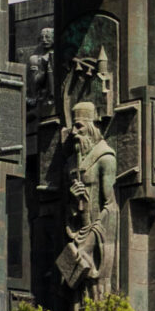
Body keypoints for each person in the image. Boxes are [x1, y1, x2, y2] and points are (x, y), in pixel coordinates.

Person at [57, 101, 118, 300]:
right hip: (78, 232)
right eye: (73, 126)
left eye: (79, 126)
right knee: (75, 295)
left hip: (97, 236)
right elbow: (68, 210)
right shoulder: (70, 164)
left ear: (92, 126)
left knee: (96, 292)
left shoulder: (105, 158)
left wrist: (91, 241)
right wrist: (74, 201)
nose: (74, 132)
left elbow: (110, 206)